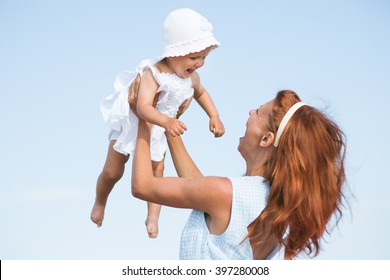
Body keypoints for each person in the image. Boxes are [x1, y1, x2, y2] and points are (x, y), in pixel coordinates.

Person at [131, 89, 347, 259]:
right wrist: (169, 122)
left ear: (266, 139)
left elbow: (142, 186)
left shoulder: (227, 194)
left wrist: (144, 117)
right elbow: (198, 187)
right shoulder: (266, 201)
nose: (250, 112)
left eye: (259, 112)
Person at [90, 8, 225, 239]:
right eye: (194, 57)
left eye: (204, 57)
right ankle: (100, 202)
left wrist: (214, 116)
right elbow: (142, 107)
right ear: (174, 52)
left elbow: (201, 93)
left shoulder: (190, 76)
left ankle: (153, 217)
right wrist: (167, 121)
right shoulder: (154, 74)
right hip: (134, 124)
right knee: (113, 171)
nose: (200, 63)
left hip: (160, 128)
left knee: (157, 172)